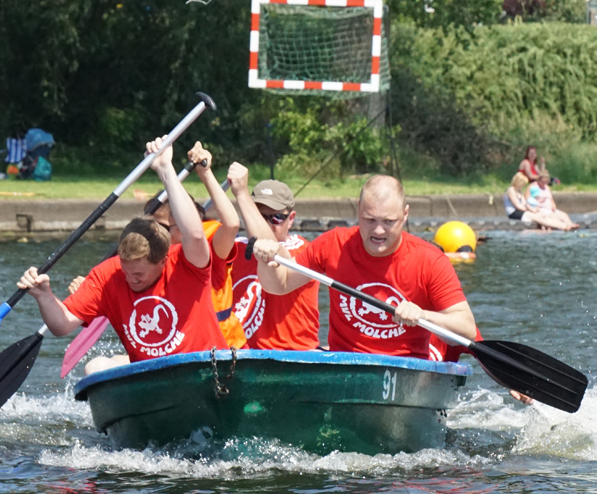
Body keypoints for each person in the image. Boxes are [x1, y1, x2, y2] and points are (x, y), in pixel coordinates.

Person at [251, 175, 532, 405]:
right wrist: (268, 257)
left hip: (406, 371)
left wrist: (422, 314)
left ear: (405, 214)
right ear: (358, 212)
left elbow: (467, 328)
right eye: (370, 220)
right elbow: (279, 285)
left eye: (389, 222)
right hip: (349, 367)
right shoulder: (333, 244)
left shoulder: (429, 260)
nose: (378, 231)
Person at [17, 137, 226, 375]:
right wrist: (44, 296)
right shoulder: (109, 273)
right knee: (94, 368)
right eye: (126, 272)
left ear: (163, 260)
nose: (130, 280)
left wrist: (166, 169)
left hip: (207, 370)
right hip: (153, 379)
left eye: (138, 274)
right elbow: (62, 324)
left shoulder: (186, 263)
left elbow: (195, 234)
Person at [149, 142, 246, 348]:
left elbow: (231, 224)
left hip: (221, 348)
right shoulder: (146, 255)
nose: (155, 236)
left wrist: (205, 173)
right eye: (152, 228)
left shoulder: (207, 249)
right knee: (99, 365)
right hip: (176, 347)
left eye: (163, 228)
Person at [228, 165, 320, 350]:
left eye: (276, 218)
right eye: (260, 217)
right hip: (242, 356)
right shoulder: (234, 248)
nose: (268, 224)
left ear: (291, 218)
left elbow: (271, 249)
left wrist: (241, 193)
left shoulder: (304, 250)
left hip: (292, 354)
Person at [504, 172, 574, 231]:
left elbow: (525, 203)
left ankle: (565, 225)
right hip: (514, 213)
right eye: (522, 184)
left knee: (541, 214)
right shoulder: (511, 190)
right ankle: (562, 226)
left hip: (522, 211)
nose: (523, 186)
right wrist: (530, 210)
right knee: (538, 218)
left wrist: (533, 209)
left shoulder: (519, 191)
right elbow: (518, 206)